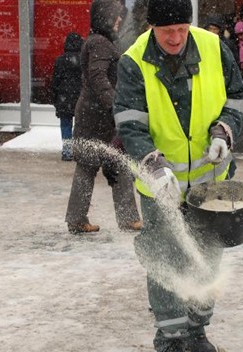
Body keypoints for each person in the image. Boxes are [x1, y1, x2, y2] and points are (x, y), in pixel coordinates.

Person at [113, 0, 243, 352]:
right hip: (160, 185)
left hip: (210, 181)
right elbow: (130, 123)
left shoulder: (214, 47)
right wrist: (153, 166)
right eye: (166, 31)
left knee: (207, 256)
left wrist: (224, 131)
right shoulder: (133, 61)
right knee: (166, 259)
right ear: (150, 28)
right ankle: (170, 340)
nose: (175, 38)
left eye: (181, 29)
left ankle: (196, 329)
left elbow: (236, 98)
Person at [65, 0, 142, 233]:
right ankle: (84, 219)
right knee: (98, 166)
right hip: (96, 117)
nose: (119, 20)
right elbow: (98, 76)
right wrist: (116, 105)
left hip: (97, 116)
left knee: (111, 164)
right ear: (105, 17)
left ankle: (80, 218)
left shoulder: (100, 41)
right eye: (116, 16)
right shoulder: (99, 42)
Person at [52, 32, 83, 161]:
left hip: (64, 97)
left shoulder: (60, 60)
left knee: (65, 125)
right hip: (80, 97)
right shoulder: (83, 60)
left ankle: (67, 151)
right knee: (80, 125)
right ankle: (79, 151)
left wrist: (55, 98)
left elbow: (55, 81)